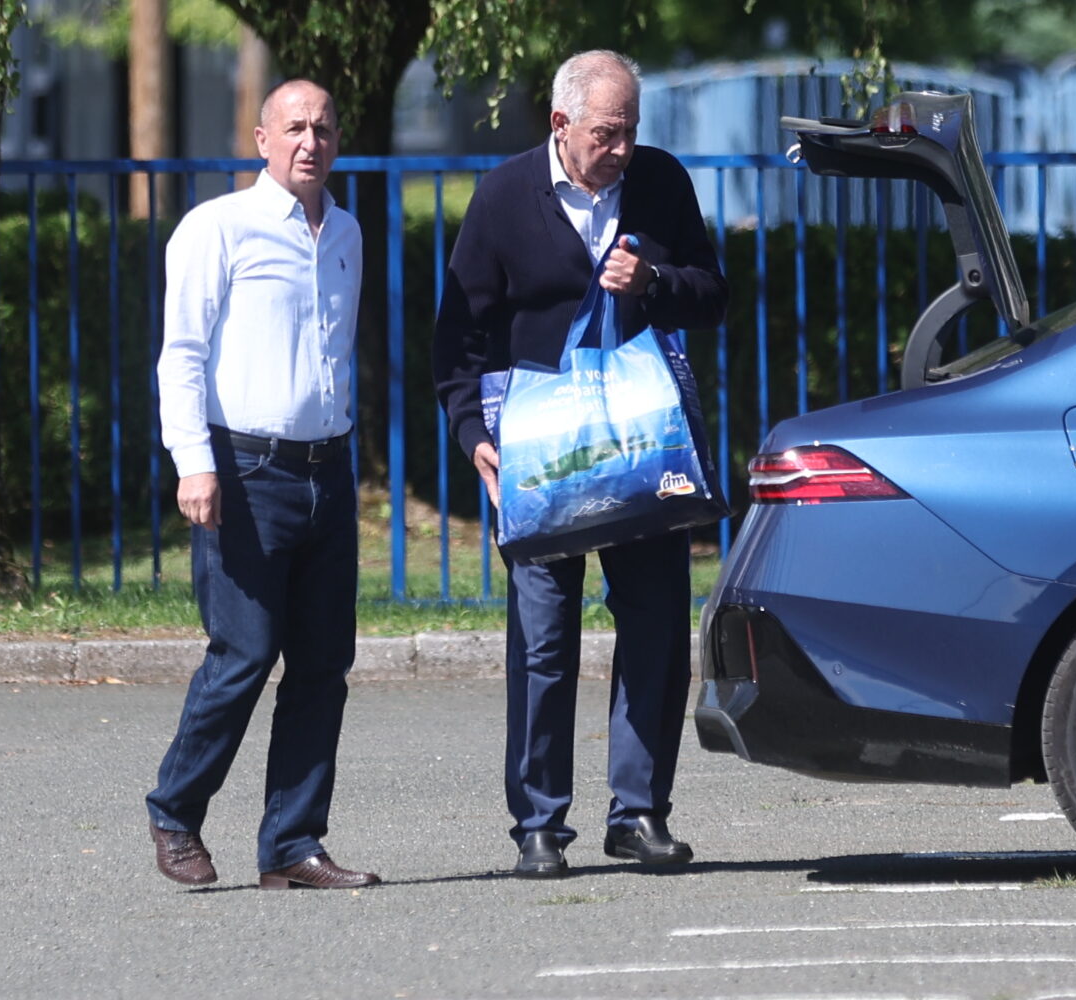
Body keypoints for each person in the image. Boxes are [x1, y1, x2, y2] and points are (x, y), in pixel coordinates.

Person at [433, 50, 729, 878]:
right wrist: (473, 435)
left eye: (631, 131)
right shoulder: (503, 197)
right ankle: (538, 824)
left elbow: (714, 294)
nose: (623, 149)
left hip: (642, 449)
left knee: (656, 628)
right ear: (561, 124)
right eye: (607, 133)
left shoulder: (660, 182)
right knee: (542, 638)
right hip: (540, 454)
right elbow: (459, 337)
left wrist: (654, 281)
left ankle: (639, 814)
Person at [146, 79, 379, 891]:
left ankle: (292, 843)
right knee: (244, 653)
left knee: (322, 664)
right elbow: (182, 354)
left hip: (326, 468)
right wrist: (194, 462)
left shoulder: (345, 231)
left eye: (323, 128)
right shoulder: (219, 228)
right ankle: (175, 809)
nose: (310, 142)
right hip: (245, 470)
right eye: (295, 128)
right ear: (261, 139)